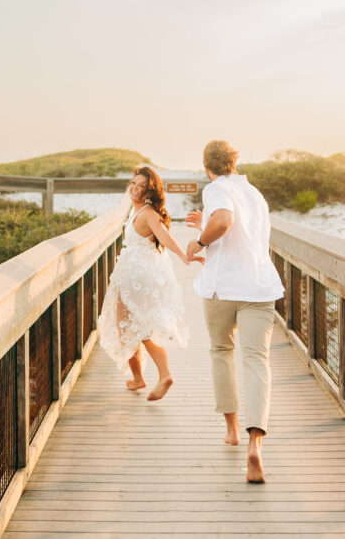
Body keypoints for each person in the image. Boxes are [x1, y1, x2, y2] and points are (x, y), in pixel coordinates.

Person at [186, 140, 284, 483]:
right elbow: (239, 229)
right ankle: (255, 443)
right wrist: (205, 224)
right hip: (258, 286)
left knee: (221, 351)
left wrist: (198, 241)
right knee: (257, 360)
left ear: (207, 167)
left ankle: (231, 430)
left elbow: (224, 221)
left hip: (222, 287)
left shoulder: (216, 188)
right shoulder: (254, 194)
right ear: (234, 163)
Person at [98, 166, 199, 401]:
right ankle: (138, 378)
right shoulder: (138, 211)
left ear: (149, 191)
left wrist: (184, 255)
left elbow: (163, 235)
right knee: (128, 327)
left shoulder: (147, 213)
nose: (135, 188)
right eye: (133, 183)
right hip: (134, 273)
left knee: (137, 328)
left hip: (136, 277)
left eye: (141, 186)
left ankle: (164, 375)